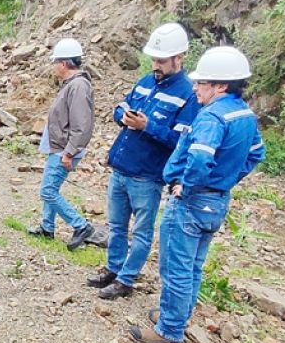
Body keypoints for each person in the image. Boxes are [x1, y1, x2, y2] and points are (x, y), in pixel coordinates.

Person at [128, 46, 265, 343]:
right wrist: (226, 178)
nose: (195, 88)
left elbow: (200, 158)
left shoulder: (212, 116)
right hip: (216, 201)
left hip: (192, 201)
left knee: (176, 266)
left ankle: (169, 330)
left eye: (202, 83)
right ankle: (177, 316)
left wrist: (187, 185)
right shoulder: (244, 114)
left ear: (221, 86)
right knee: (193, 266)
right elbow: (256, 153)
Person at [88, 23, 201, 300]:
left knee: (141, 232)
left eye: (161, 60)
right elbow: (121, 107)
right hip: (121, 167)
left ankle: (126, 280)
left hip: (147, 176)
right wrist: (123, 117)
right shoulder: (145, 82)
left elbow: (181, 141)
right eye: (154, 59)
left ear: (179, 57)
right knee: (116, 226)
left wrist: (148, 126)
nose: (156, 65)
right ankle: (113, 268)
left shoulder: (188, 94)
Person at [26, 38, 97, 251]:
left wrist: (69, 152)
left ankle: (81, 226)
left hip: (64, 149)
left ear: (63, 63)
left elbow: (81, 125)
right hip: (59, 147)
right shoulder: (72, 85)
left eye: (55, 62)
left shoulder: (78, 86)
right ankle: (47, 227)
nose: (53, 66)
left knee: (48, 191)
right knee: (52, 188)